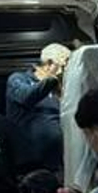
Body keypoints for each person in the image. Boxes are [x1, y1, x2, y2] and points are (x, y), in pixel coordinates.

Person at [6, 43, 71, 175]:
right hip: (29, 165)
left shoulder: (58, 90)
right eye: (64, 67)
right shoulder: (18, 79)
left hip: (56, 164)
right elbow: (27, 97)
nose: (65, 72)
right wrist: (52, 79)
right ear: (49, 64)